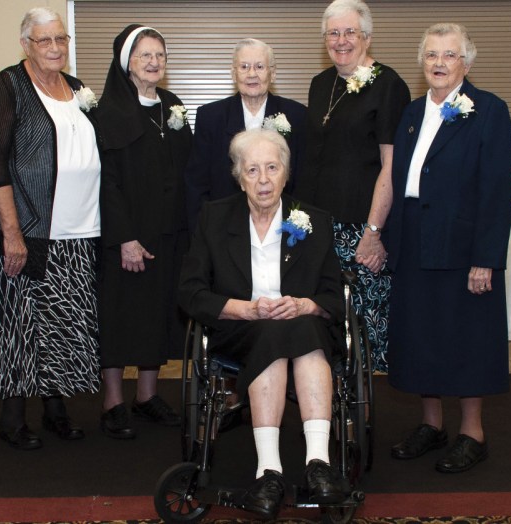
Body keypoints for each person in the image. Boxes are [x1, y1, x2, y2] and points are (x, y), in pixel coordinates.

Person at [179, 128, 345, 519]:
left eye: (272, 167)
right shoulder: (214, 218)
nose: (264, 179)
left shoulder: (313, 221)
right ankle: (269, 469)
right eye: (252, 170)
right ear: (238, 176)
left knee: (300, 327)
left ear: (287, 173)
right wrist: (245, 309)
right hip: (240, 329)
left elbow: (334, 299)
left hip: (305, 326)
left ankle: (317, 463)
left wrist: (306, 304)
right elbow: (190, 292)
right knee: (273, 332)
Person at [385, 23, 511, 473]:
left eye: (449, 55)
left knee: (467, 339)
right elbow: (399, 179)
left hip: (462, 247)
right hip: (414, 243)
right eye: (431, 56)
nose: (439, 64)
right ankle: (431, 426)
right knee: (422, 337)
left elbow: (497, 191)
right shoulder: (410, 113)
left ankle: (472, 433)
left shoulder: (490, 111)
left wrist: (486, 257)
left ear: (467, 62)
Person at [0, 7, 102, 450]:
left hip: (79, 231)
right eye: (44, 40)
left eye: (61, 39)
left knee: (65, 324)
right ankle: (12, 417)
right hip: (27, 230)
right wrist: (10, 231)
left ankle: (56, 410)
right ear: (25, 45)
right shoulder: (9, 85)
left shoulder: (78, 88)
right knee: (19, 325)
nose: (55, 48)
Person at [294, 0, 410, 372]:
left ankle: (358, 417)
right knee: (320, 322)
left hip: (360, 226)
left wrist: (374, 232)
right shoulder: (319, 84)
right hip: (317, 225)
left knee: (363, 330)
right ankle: (323, 408)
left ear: (367, 37)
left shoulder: (388, 85)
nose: (341, 40)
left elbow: (391, 166)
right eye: (333, 33)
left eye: (350, 32)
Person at [95, 24, 192, 439]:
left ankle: (147, 396)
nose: (154, 62)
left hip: (168, 233)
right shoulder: (109, 111)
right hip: (126, 237)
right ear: (126, 63)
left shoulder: (172, 104)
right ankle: (114, 400)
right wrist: (125, 238)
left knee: (157, 316)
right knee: (120, 317)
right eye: (144, 55)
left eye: (160, 55)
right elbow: (106, 181)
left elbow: (187, 168)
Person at [184, 38, 307, 231]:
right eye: (244, 67)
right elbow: (197, 184)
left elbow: (303, 180)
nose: (252, 74)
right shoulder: (210, 117)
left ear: (272, 74)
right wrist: (203, 232)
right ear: (234, 74)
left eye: (259, 66)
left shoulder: (296, 115)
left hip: (281, 226)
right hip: (223, 227)